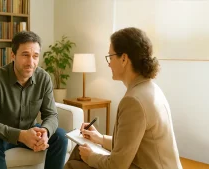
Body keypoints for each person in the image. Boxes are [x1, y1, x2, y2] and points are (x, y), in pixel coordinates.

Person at [64, 27, 182, 169]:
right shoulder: (149, 88)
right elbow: (130, 144)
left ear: (124, 58)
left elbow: (117, 166)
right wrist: (99, 139)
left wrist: (91, 157)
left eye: (110, 57)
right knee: (80, 150)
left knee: (74, 164)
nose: (108, 63)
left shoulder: (133, 101)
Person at [0, 31, 68, 169]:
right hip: (1, 134)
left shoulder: (44, 78)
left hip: (31, 130)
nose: (31, 62)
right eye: (25, 55)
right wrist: (21, 135)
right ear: (13, 55)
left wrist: (45, 131)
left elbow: (51, 115)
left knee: (61, 136)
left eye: (35, 56)